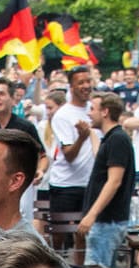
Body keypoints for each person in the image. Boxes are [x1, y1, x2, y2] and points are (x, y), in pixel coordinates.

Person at [78, 94, 135, 268]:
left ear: (105, 111)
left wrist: (92, 215)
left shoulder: (117, 139)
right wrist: (89, 135)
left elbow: (114, 181)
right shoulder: (111, 138)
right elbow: (99, 155)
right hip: (104, 221)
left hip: (107, 221)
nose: (89, 114)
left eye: (93, 109)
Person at [41, 67, 97, 223]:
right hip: (65, 184)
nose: (86, 86)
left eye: (88, 81)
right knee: (59, 231)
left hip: (89, 183)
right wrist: (82, 137)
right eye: (81, 82)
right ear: (71, 87)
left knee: (84, 231)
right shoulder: (63, 115)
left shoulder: (95, 111)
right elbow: (69, 155)